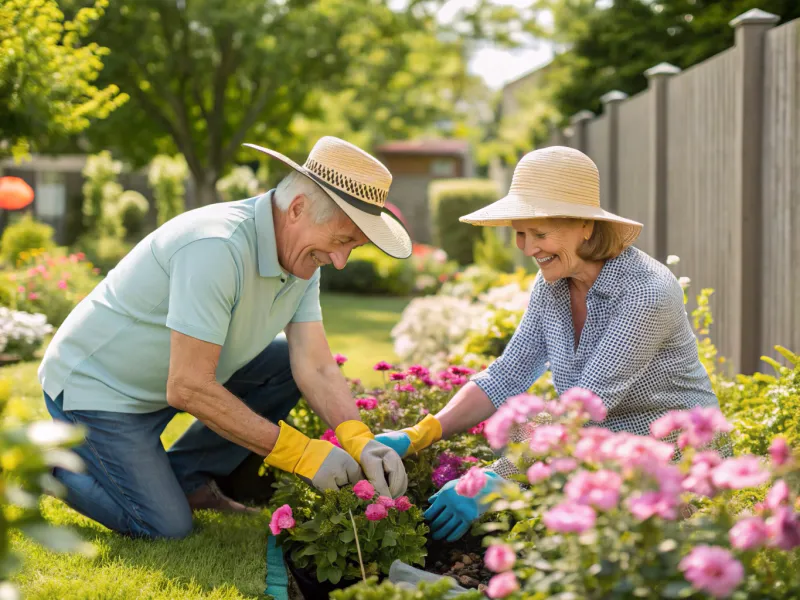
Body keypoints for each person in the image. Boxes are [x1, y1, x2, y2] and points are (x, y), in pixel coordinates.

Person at [38, 136, 412, 540]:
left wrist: (360, 440)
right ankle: (39, 464)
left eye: (351, 248)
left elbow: (316, 366)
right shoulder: (216, 246)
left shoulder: (304, 258)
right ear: (298, 209)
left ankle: (186, 478)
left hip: (162, 383)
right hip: (99, 390)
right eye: (340, 241)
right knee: (166, 527)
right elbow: (189, 386)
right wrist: (301, 454)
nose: (340, 261)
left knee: (284, 366)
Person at [376, 146, 727, 542]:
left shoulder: (646, 292)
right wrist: (420, 433)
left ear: (586, 227)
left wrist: (494, 478)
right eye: (521, 234)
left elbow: (585, 405)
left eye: (540, 234)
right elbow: (506, 375)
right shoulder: (553, 286)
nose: (527, 248)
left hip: (677, 466)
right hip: (598, 453)